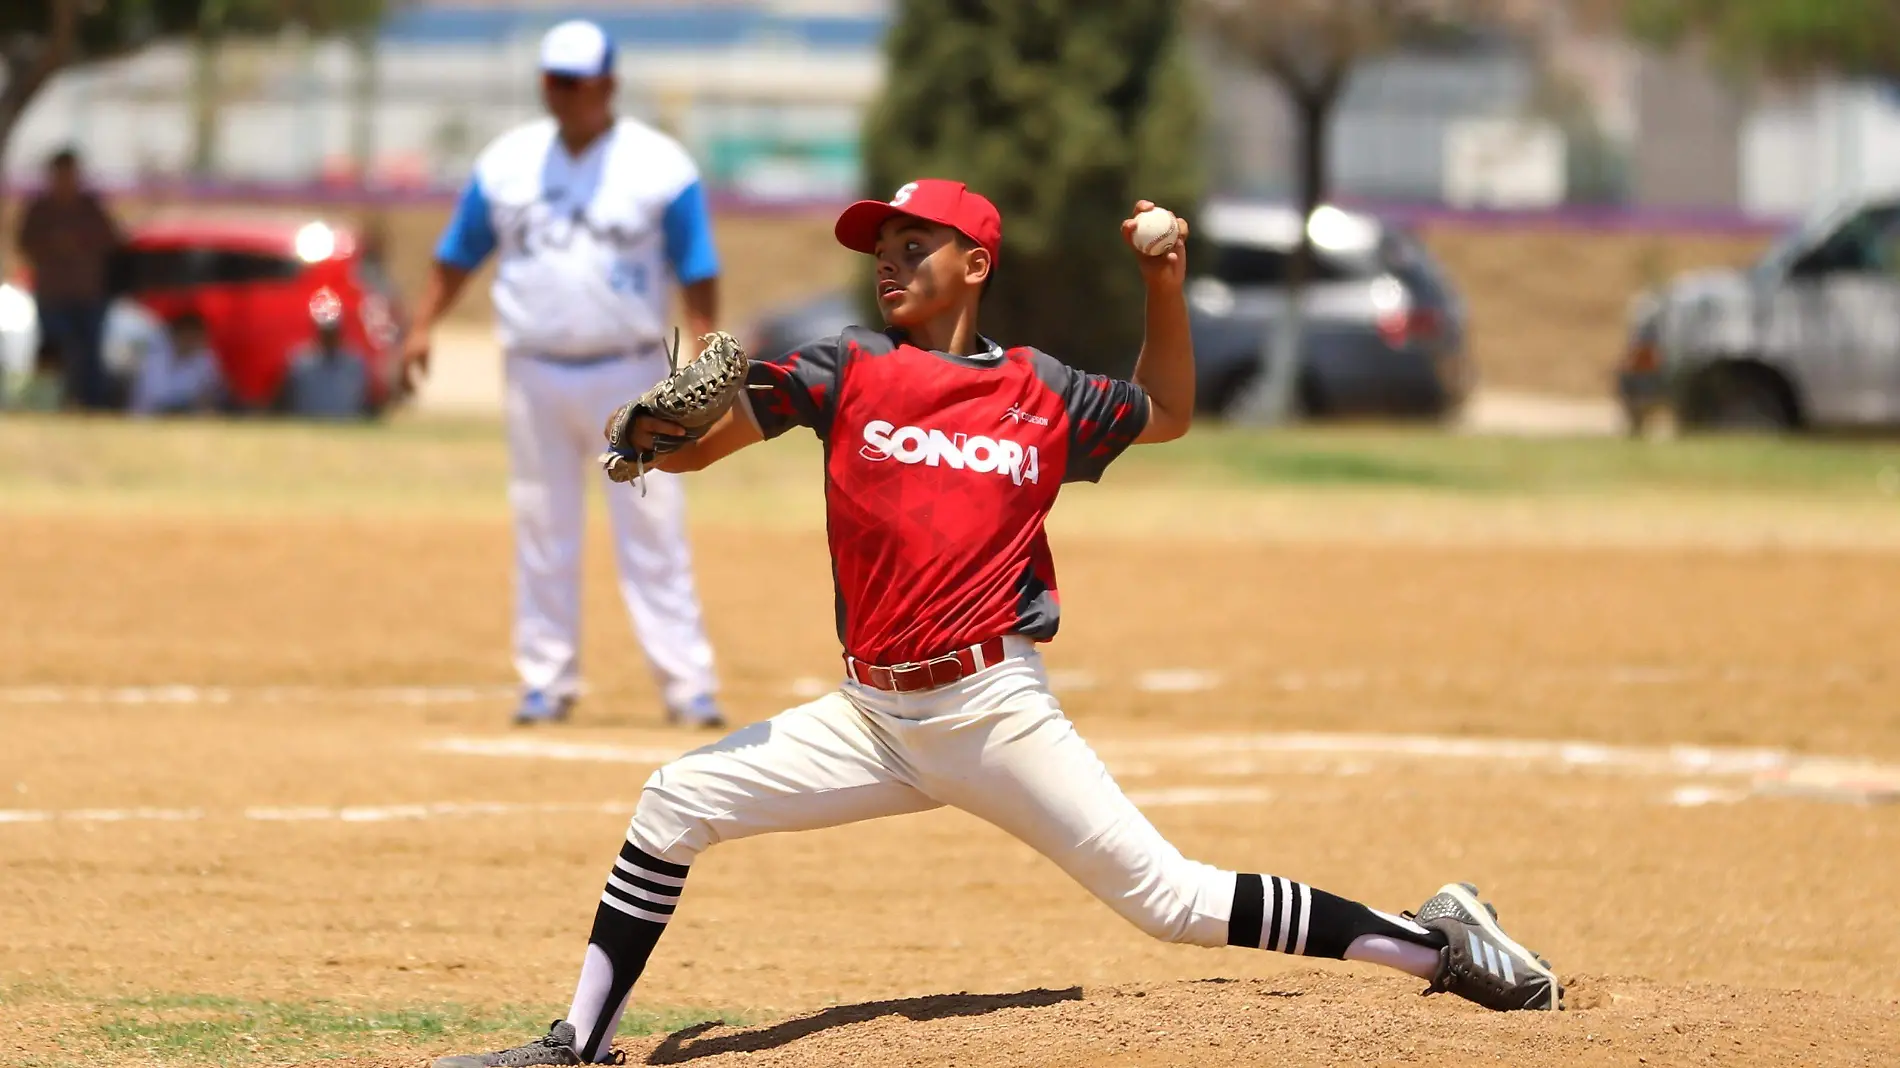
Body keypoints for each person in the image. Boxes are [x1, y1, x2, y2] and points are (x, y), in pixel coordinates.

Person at [428, 181, 1562, 1068]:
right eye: (880, 247)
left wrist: (1163, 278)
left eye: (913, 244)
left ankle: (1437, 941)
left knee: (1170, 902)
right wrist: (654, 433)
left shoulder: (1039, 390)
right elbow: (709, 437)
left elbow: (1166, 412)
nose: (888, 261)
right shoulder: (843, 369)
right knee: (676, 800)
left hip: (989, 706)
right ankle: (575, 1041)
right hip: (872, 716)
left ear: (975, 263)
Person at [400, 19, 724, 729]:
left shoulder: (660, 165)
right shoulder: (508, 163)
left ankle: (687, 685)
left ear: (608, 84)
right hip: (534, 370)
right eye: (553, 81)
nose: (564, 94)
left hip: (632, 372)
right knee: (543, 527)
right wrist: (422, 324)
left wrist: (705, 350)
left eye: (576, 82)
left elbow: (696, 265)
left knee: (653, 527)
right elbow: (458, 253)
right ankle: (547, 681)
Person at [15, 147, 123, 411]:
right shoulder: (40, 209)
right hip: (53, 293)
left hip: (89, 294)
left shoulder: (90, 208)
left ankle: (92, 404)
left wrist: (79, 243)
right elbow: (24, 244)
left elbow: (114, 240)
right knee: (54, 352)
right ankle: (51, 402)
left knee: (90, 352)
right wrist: (53, 245)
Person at [281, 289, 370, 420]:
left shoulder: (355, 364)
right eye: (325, 331)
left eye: (332, 330)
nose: (328, 336)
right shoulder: (299, 363)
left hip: (347, 432)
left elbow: (364, 404)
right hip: (307, 431)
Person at [128, 311, 223, 416]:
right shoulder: (155, 355)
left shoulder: (206, 361)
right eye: (187, 335)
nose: (190, 340)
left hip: (186, 421)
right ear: (177, 334)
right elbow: (150, 394)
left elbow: (210, 397)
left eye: (195, 336)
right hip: (146, 417)